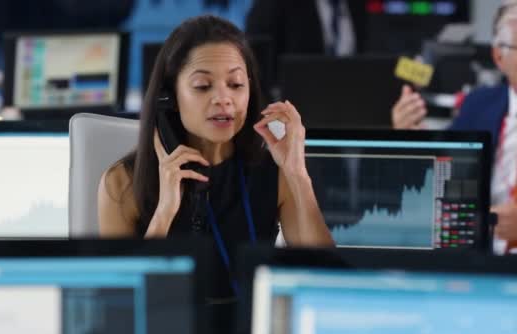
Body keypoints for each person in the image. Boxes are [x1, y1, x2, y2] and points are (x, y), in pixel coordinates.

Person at [98, 14, 333, 267]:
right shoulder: (122, 183)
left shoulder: (274, 173)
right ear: (170, 97)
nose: (223, 98)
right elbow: (122, 298)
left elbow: (325, 274)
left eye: (235, 84)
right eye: (202, 86)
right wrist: (164, 212)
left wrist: (297, 174)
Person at [391, 1, 517, 247]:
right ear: (499, 56)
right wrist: (408, 137)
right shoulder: (479, 104)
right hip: (482, 255)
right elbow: (437, 175)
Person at [245, 0, 367, 57]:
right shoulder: (275, 5)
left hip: (357, 96)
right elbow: (256, 55)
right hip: (295, 100)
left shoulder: (360, 5)